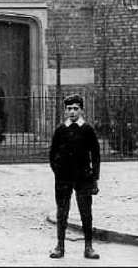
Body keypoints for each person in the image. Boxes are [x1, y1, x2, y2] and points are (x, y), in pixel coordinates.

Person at [48, 93, 101, 260]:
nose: (72, 112)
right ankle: (60, 246)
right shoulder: (60, 130)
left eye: (75, 109)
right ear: (65, 111)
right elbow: (52, 153)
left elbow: (96, 155)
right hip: (63, 178)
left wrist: (94, 178)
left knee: (86, 212)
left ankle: (88, 246)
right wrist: (57, 170)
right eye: (69, 109)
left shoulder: (87, 130)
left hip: (83, 177)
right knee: (62, 212)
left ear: (81, 110)